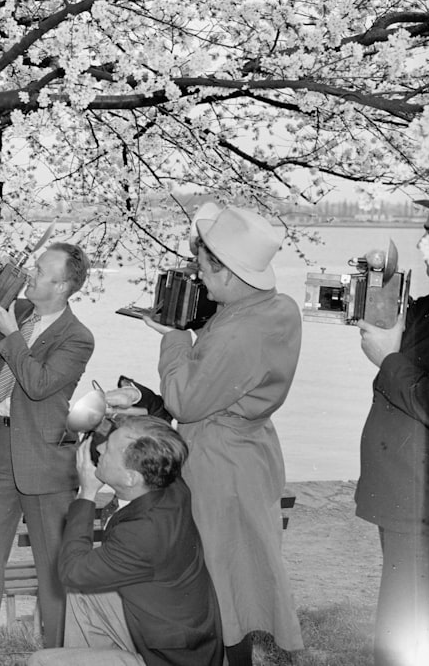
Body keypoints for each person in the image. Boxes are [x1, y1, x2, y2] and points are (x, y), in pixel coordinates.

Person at [136, 205, 303, 666]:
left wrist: (173, 338)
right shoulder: (277, 308)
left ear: (229, 273)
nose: (200, 280)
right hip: (251, 454)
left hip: (218, 466)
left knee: (222, 587)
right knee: (245, 578)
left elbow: (185, 401)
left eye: (205, 271)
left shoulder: (238, 330)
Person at [0, 242, 96, 666]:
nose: (32, 273)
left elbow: (37, 383)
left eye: (39, 270)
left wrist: (12, 333)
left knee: (55, 575)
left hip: (46, 461)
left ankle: (63, 659)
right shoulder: (21, 309)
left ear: (63, 286)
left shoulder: (77, 337)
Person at [28, 416, 222, 666]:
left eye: (107, 449)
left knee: (40, 662)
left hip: (168, 656)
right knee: (84, 591)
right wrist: (104, 422)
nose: (99, 448)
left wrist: (86, 493)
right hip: (174, 625)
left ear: (131, 478)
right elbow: (141, 437)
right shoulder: (169, 482)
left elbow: (71, 570)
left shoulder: (143, 534)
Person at [355, 199, 429, 666]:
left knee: (404, 636)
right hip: (407, 496)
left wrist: (387, 359)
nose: (423, 241)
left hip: (421, 506)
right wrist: (383, 284)